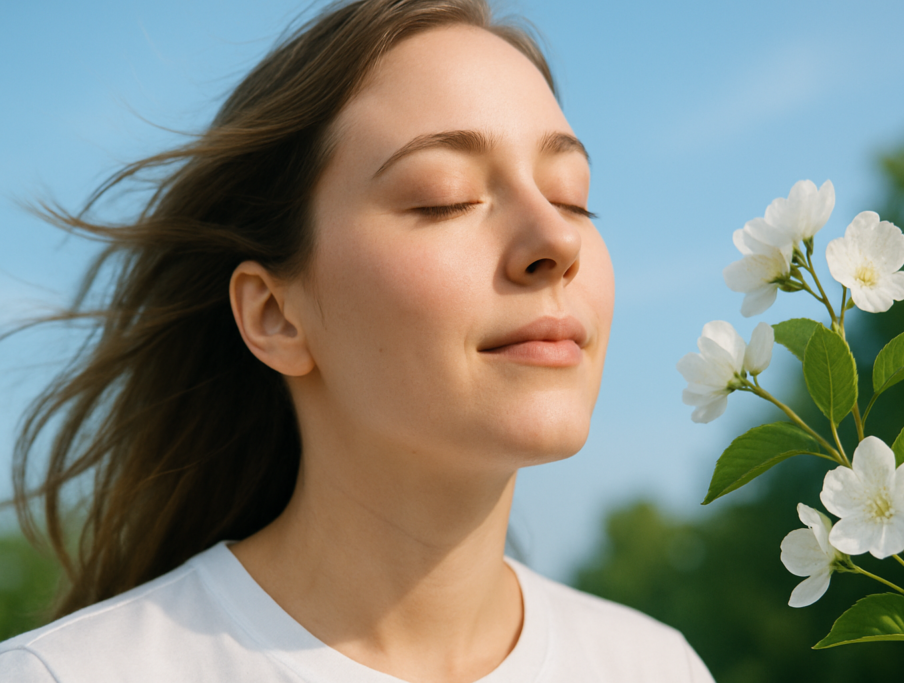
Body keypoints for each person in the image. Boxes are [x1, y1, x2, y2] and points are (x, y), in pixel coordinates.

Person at [0, 1, 714, 681]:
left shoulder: (658, 668)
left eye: (570, 195)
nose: (557, 240)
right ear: (275, 314)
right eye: (444, 196)